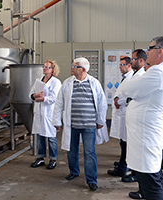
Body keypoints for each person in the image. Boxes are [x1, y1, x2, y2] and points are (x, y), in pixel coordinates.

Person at [121, 36, 163, 200]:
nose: (147, 52)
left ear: (160, 51)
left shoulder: (159, 72)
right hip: (144, 133)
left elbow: (129, 88)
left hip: (147, 134)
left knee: (151, 178)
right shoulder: (157, 70)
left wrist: (127, 86)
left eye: (150, 48)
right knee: (148, 175)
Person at [53, 57, 108, 192]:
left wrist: (100, 120)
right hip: (72, 124)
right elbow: (59, 103)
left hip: (89, 124)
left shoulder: (94, 83)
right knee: (71, 150)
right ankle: (74, 171)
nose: (72, 68)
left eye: (75, 66)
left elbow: (102, 103)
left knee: (89, 152)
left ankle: (91, 180)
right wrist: (57, 121)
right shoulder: (67, 83)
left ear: (83, 69)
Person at [29, 60, 62, 170]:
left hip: (49, 113)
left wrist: (42, 98)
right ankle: (41, 157)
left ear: (53, 70)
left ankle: (53, 159)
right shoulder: (38, 81)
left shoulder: (56, 82)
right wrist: (35, 95)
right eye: (44, 66)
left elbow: (54, 98)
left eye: (47, 67)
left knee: (51, 137)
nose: (45, 68)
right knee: (40, 136)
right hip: (39, 112)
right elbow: (31, 94)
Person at [108, 57, 134, 177]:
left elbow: (129, 94)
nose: (120, 67)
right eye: (120, 64)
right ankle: (123, 164)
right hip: (122, 112)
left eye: (122, 65)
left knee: (126, 143)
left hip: (126, 112)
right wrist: (116, 99)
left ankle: (123, 167)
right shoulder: (126, 78)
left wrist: (119, 101)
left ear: (129, 66)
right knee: (123, 142)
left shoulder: (132, 78)